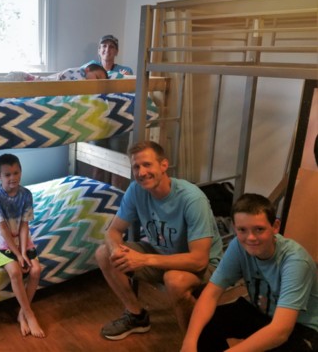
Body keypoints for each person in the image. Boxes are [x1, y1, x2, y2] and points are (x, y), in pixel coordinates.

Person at [95, 141, 223, 341]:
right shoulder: (136, 190)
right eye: (136, 167)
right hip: (161, 255)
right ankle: (136, 316)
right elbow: (113, 231)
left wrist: (144, 260)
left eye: (147, 164)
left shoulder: (191, 199)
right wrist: (115, 250)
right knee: (103, 253)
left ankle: (194, 343)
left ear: (164, 165)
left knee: (174, 280)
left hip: (204, 266)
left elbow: (199, 260)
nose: (141, 172)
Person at [181, 193, 318, 352]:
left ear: (275, 226)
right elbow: (210, 293)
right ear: (234, 227)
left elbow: (281, 331)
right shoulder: (238, 246)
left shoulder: (296, 261)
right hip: (261, 312)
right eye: (242, 230)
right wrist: (189, 341)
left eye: (259, 229)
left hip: (300, 327)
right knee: (204, 324)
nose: (250, 237)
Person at [0, 153, 45, 338]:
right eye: (7, 175)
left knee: (36, 270)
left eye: (16, 172)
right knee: (15, 271)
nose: (13, 178)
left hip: (21, 238)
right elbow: (3, 229)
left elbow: (24, 225)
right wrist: (19, 256)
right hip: (1, 240)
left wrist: (23, 251)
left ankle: (21, 312)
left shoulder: (26, 194)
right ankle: (29, 313)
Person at [82, 35, 134, 189]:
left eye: (111, 47)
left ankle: (116, 201)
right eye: (104, 46)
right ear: (99, 50)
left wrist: (125, 80)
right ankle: (99, 198)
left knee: (118, 165)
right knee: (97, 164)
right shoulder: (90, 69)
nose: (107, 50)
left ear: (116, 51)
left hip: (119, 121)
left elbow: (129, 95)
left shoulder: (125, 71)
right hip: (97, 120)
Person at [3, 63, 107, 81]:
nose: (97, 82)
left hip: (28, 83)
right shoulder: (78, 73)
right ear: (87, 70)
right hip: (24, 78)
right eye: (97, 77)